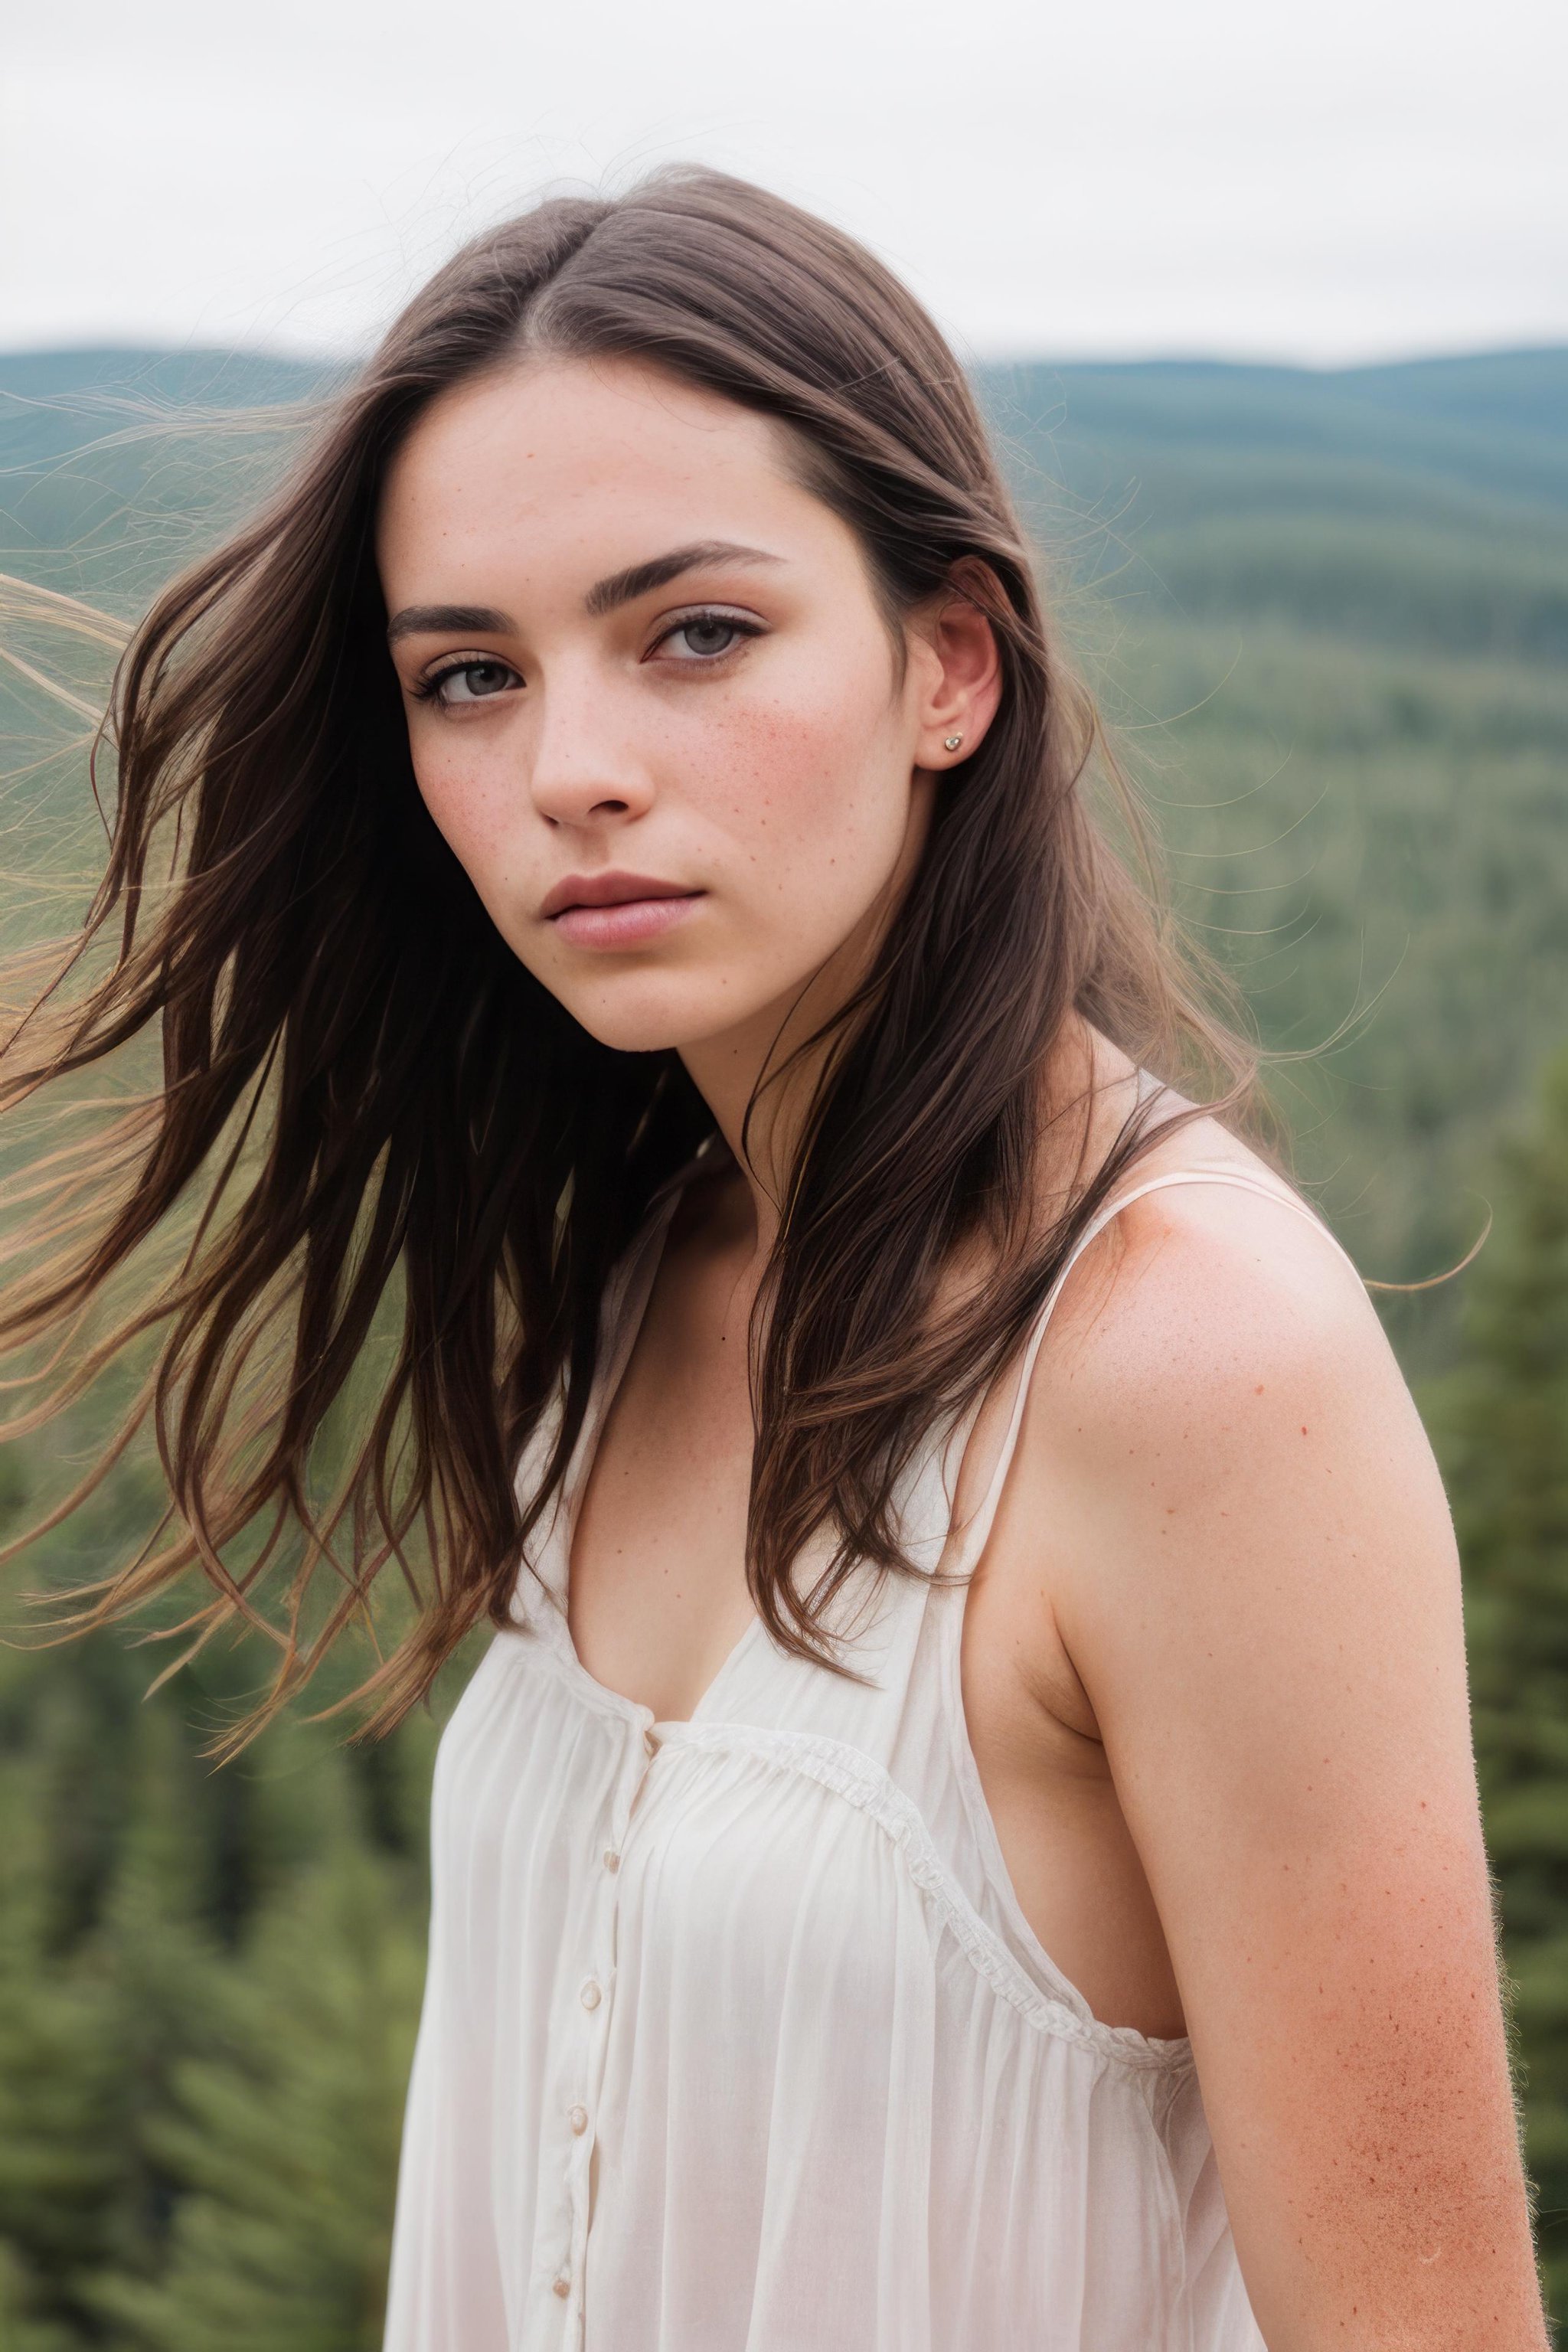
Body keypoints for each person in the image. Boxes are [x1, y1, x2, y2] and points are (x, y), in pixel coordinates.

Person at [0, 166, 1547, 2349]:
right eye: (468, 675)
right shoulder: (644, 1264)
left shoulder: (1188, 1364)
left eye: (694, 636)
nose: (571, 771)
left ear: (948, 666)